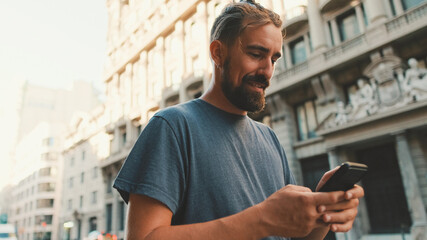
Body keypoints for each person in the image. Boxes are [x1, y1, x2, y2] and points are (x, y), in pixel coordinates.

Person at [113, 1, 364, 239]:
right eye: (256, 54)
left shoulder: (270, 137)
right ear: (218, 53)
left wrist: (322, 211)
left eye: (274, 59)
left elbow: (286, 234)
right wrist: (263, 219)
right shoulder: (171, 126)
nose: (267, 71)